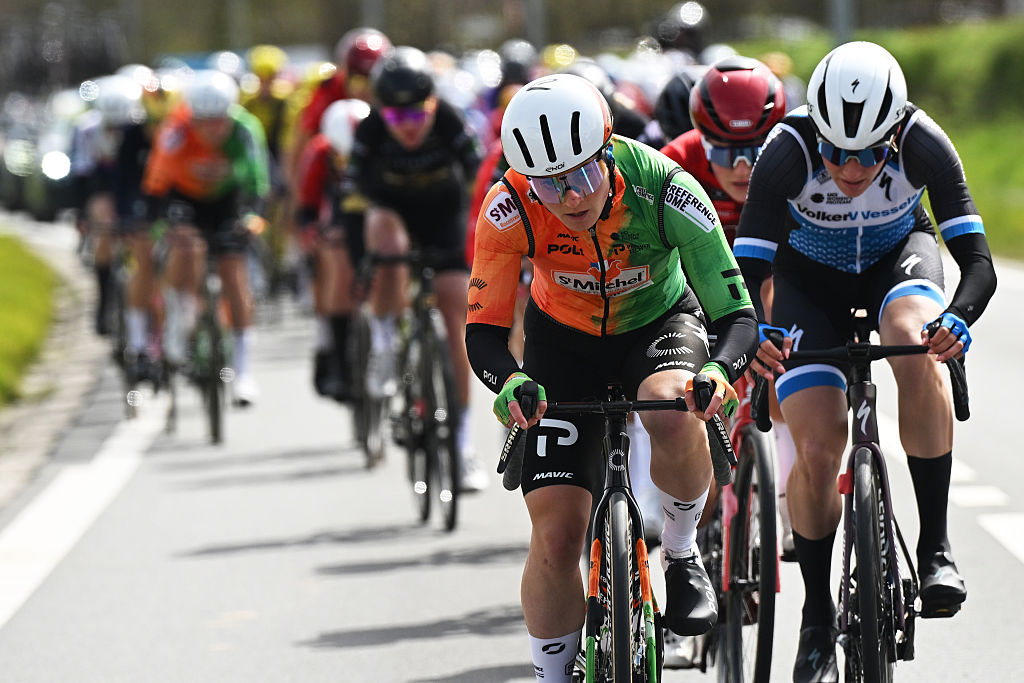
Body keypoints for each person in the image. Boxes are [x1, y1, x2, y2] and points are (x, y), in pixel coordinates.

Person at [466, 73, 757, 683]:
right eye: (550, 184)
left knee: (670, 404)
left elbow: (734, 314)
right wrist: (512, 382)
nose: (570, 196)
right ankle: (550, 674)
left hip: (658, 326)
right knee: (555, 537)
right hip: (562, 344)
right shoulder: (509, 207)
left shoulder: (667, 189)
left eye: (582, 174)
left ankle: (681, 553)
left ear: (607, 150)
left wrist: (716, 369)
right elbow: (485, 333)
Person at [733, 41, 997, 682]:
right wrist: (757, 332)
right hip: (808, 280)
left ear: (895, 134)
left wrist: (956, 320)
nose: (851, 169)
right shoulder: (787, 151)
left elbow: (979, 263)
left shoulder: (924, 142)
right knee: (819, 445)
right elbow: (744, 270)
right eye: (837, 153)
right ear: (816, 132)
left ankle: (935, 547)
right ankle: (818, 613)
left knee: (915, 338)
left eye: (871, 154)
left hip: (896, 260)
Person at [347, 46, 486, 491]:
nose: (408, 129)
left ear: (432, 105)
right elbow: (350, 199)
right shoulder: (369, 134)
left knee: (455, 313)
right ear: (382, 114)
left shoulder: (450, 122)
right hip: (391, 216)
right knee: (387, 242)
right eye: (396, 120)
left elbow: (484, 180)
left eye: (417, 117)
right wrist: (360, 264)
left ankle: (462, 447)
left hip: (443, 220)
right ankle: (385, 345)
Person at [142, 69, 271, 407]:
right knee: (188, 250)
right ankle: (180, 315)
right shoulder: (175, 130)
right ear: (193, 117)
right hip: (184, 201)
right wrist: (165, 224)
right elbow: (156, 185)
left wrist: (254, 217)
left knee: (234, 274)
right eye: (205, 122)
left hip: (228, 203)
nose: (214, 129)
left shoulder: (245, 128)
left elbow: (259, 183)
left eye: (220, 121)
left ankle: (243, 373)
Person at [294, 98, 371, 400]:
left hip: (374, 215)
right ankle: (337, 359)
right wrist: (313, 233)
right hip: (337, 224)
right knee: (336, 267)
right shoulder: (319, 153)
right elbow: (307, 208)